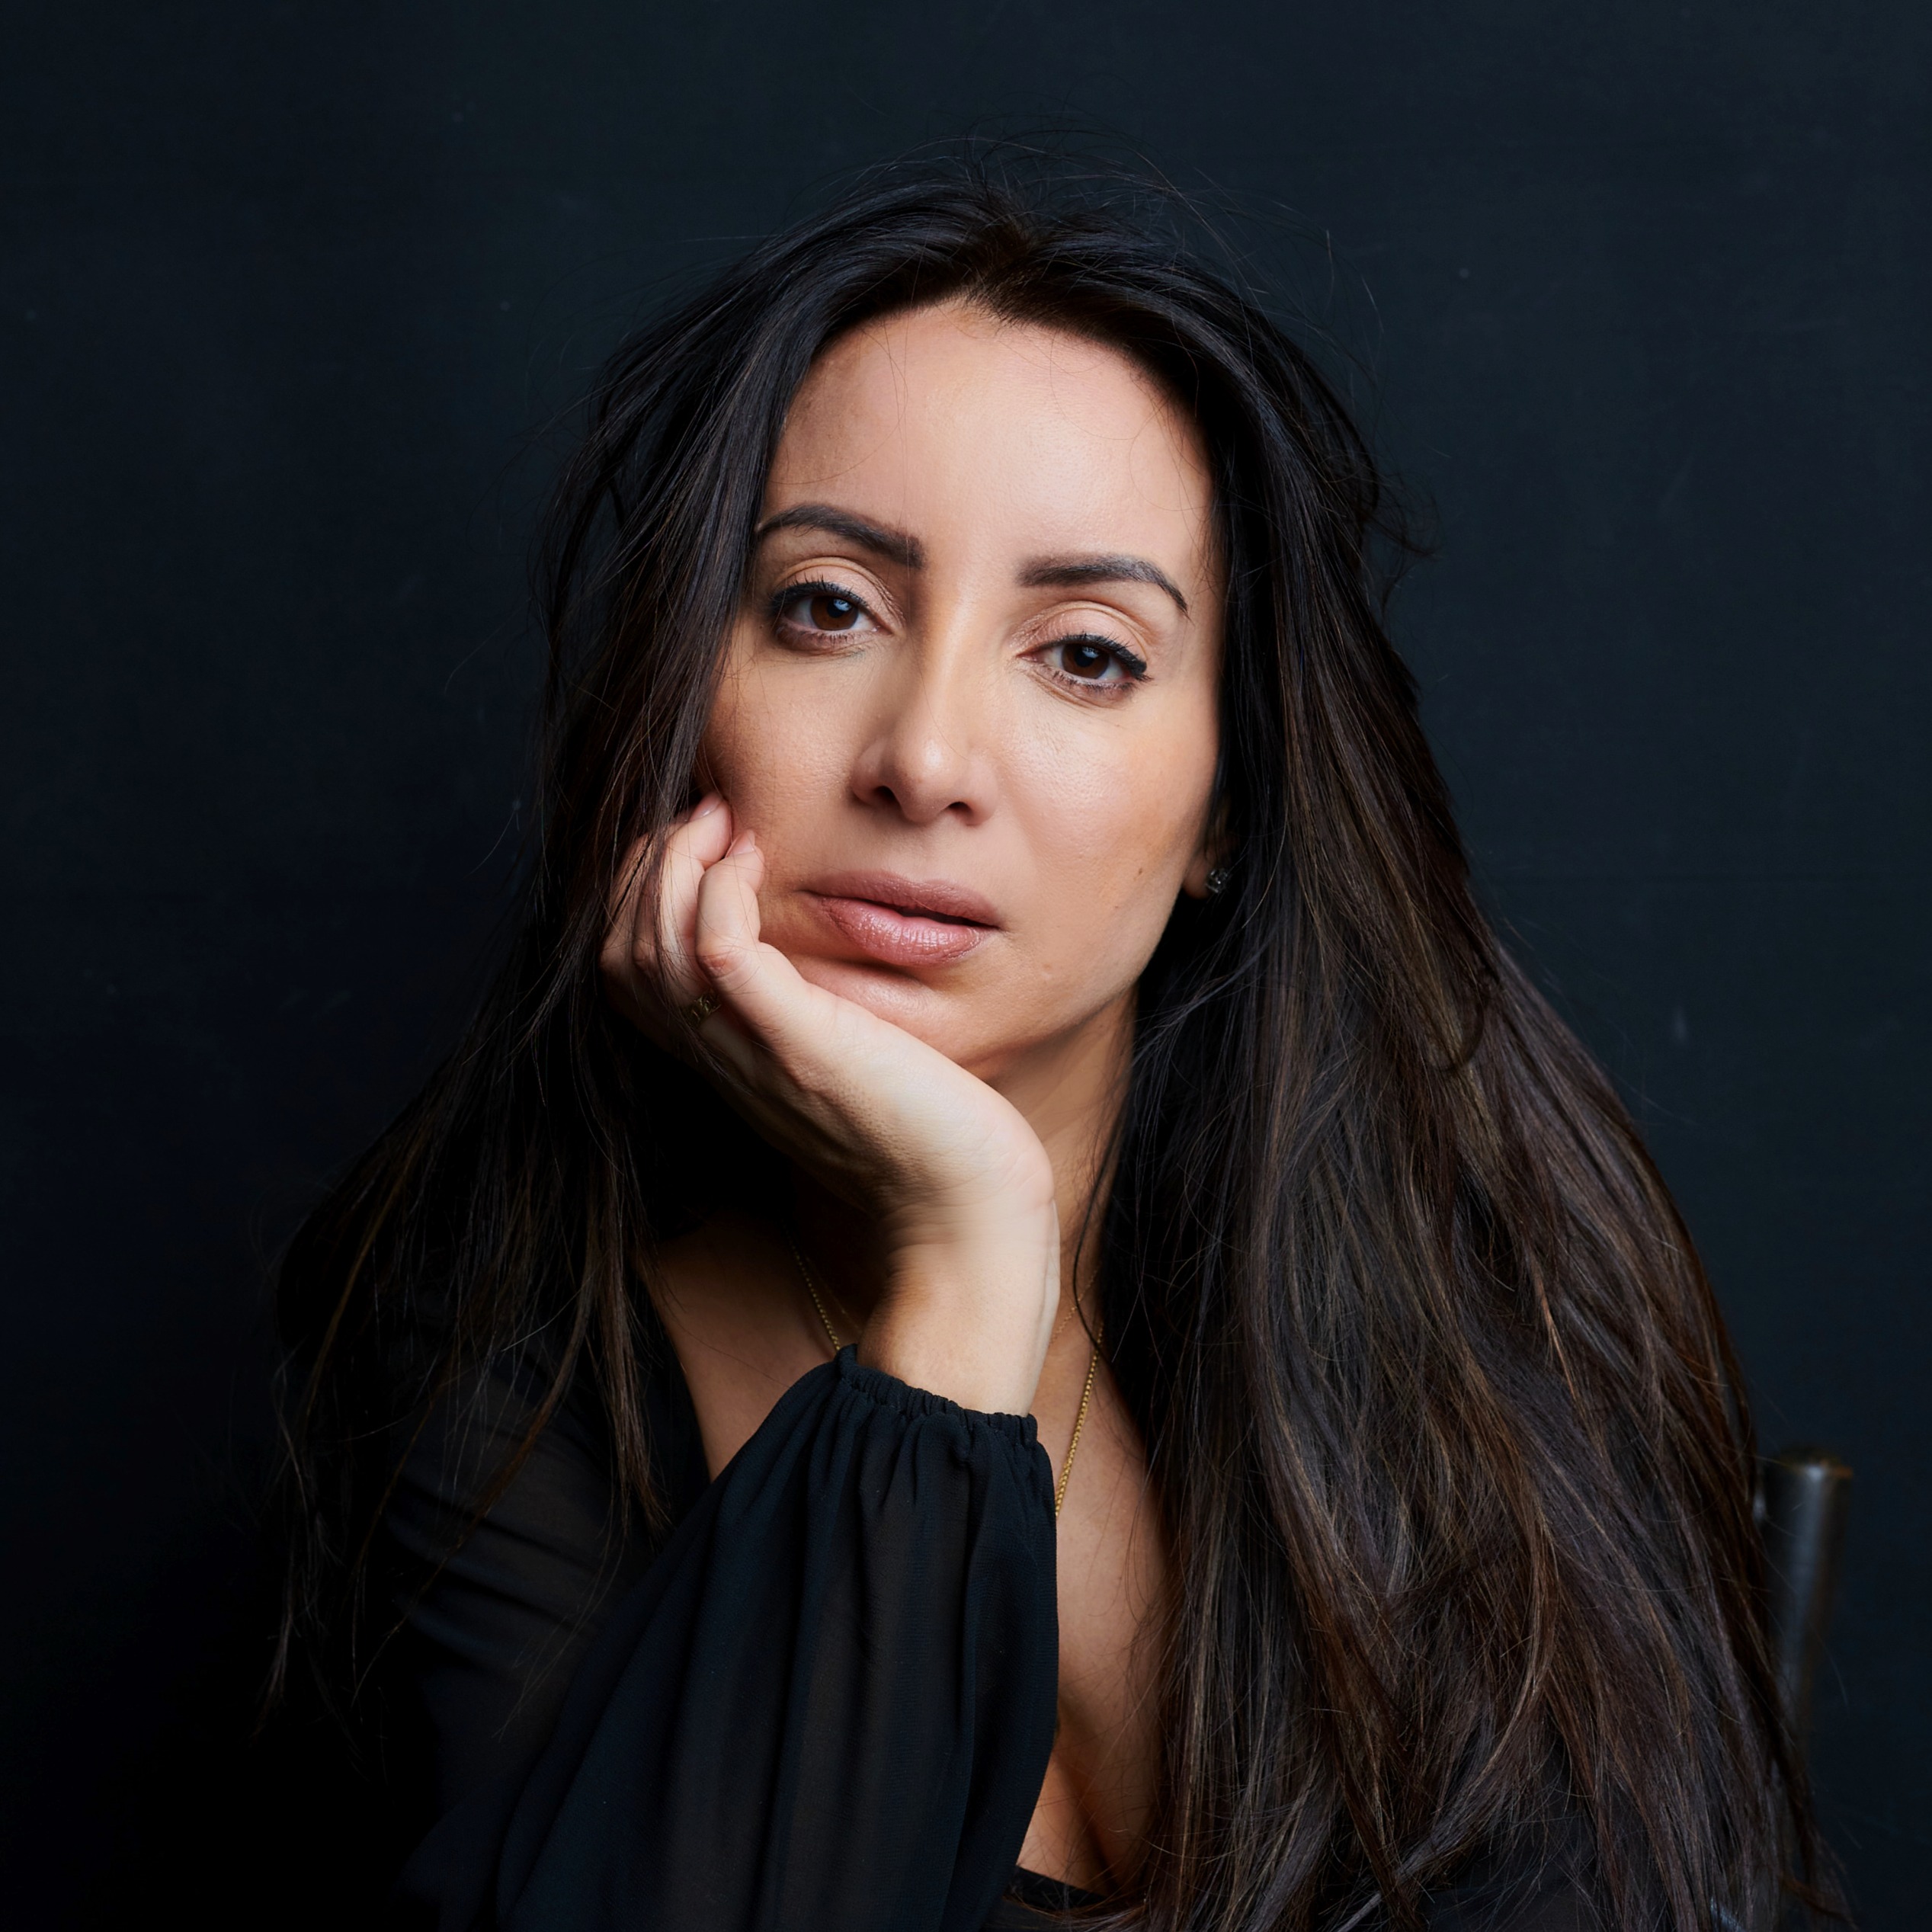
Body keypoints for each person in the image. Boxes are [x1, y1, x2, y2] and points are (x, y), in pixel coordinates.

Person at [272, 163, 1823, 1930]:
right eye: (826, 606)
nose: (924, 759)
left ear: (1226, 800)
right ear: (680, 688)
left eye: (1084, 653)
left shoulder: (1458, 1317)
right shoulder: (504, 1371)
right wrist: (961, 1262)